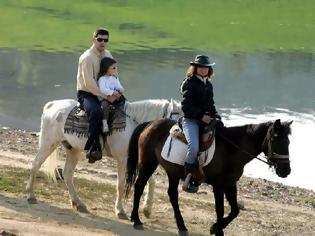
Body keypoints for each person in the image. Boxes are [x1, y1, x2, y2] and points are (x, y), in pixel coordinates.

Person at [180, 54, 223, 193]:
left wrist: (215, 115)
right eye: (200, 67)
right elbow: (186, 107)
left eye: (206, 67)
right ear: (195, 68)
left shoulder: (208, 84)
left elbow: (210, 104)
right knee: (193, 147)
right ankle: (186, 175)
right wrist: (200, 116)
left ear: (209, 69)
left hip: (205, 120)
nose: (203, 69)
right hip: (191, 120)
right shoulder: (190, 83)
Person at [76, 28, 118, 163]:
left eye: (105, 40)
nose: (102, 42)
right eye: (99, 39)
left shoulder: (108, 55)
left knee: (124, 107)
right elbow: (89, 83)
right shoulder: (87, 58)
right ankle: (91, 147)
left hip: (106, 92)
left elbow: (114, 74)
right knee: (96, 112)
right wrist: (105, 96)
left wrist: (117, 91)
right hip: (87, 93)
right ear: (93, 39)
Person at [97, 57, 124, 132]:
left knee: (123, 100)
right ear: (107, 68)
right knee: (105, 105)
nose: (115, 70)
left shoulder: (114, 78)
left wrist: (120, 90)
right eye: (113, 68)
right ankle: (105, 123)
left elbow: (118, 85)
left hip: (114, 97)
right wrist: (113, 92)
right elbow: (103, 89)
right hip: (105, 97)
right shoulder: (102, 79)